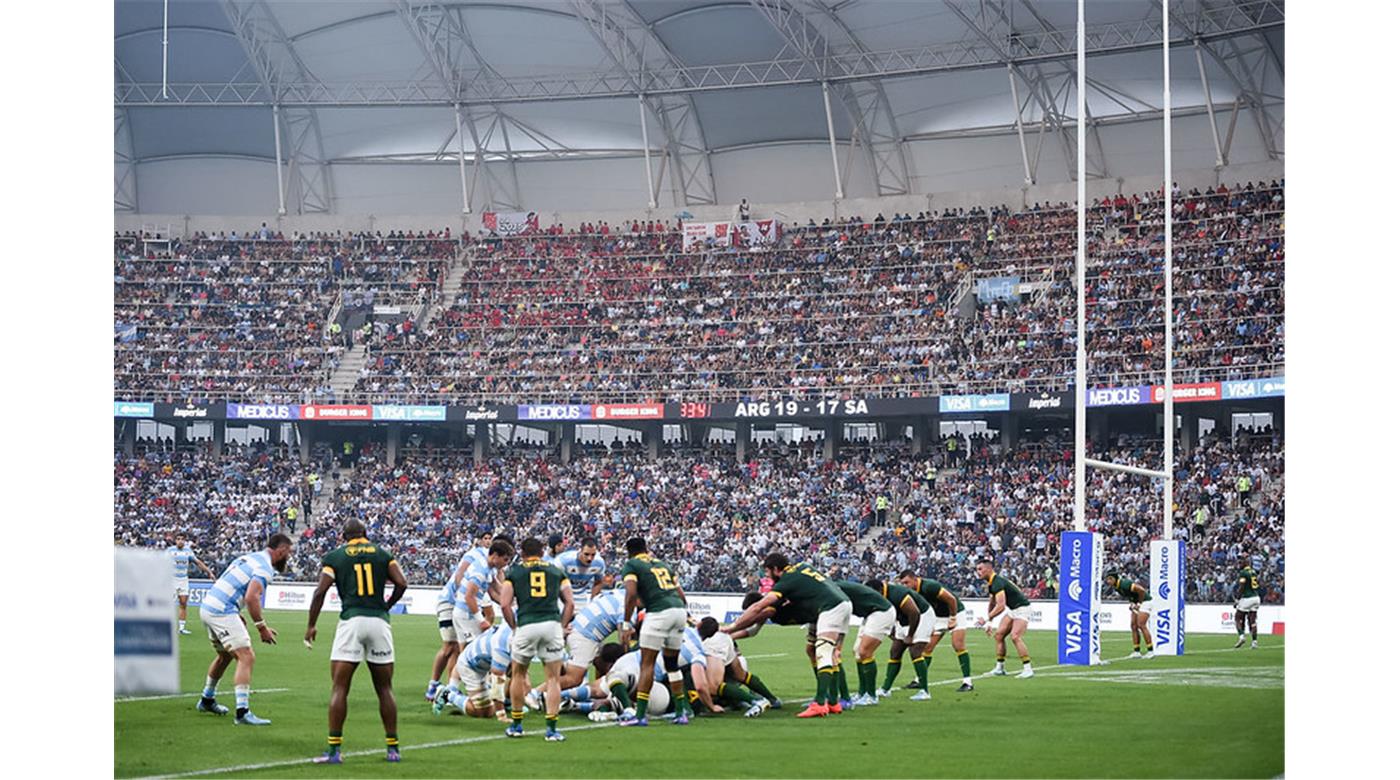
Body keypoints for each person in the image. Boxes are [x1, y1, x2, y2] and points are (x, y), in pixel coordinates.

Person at [305, 520, 408, 764]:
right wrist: (387, 605)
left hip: (351, 621)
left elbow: (320, 592)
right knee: (385, 689)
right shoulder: (383, 553)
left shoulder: (336, 556)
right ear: (365, 534)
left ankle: (334, 752)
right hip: (379, 623)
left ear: (344, 536)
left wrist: (311, 625)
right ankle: (393, 749)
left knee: (340, 688)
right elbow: (402, 583)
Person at [727, 553, 852, 718]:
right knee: (818, 652)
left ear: (776, 569)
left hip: (829, 607)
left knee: (823, 653)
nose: (767, 577)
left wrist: (731, 628)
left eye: (767, 572)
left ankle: (821, 704)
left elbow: (757, 610)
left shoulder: (781, 591)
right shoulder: (802, 568)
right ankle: (833, 702)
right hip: (835, 605)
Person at [196, 534, 293, 725]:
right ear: (280, 551)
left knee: (225, 656)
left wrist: (236, 612)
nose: (288, 558)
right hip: (221, 610)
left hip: (209, 605)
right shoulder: (265, 569)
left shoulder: (248, 558)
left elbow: (230, 583)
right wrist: (261, 628)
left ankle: (207, 699)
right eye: (288, 553)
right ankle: (242, 712)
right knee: (246, 656)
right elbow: (251, 598)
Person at [499, 537, 574, 742]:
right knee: (553, 678)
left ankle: (516, 725)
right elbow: (570, 603)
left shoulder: (514, 572)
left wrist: (514, 627)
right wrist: (561, 625)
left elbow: (505, 604)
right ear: (542, 552)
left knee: (518, 675)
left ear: (523, 553)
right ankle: (551, 729)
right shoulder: (556, 571)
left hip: (527, 624)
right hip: (551, 625)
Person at [617, 536, 692, 726]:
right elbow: (682, 596)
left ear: (629, 551)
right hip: (679, 611)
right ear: (646, 548)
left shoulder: (632, 565)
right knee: (672, 664)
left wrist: (626, 623)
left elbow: (631, 594)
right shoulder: (663, 564)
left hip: (659, 613)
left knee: (647, 664)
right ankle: (680, 712)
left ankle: (640, 715)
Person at [898, 571, 975, 691]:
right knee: (927, 647)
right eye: (902, 583)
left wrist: (953, 618)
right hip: (938, 617)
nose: (904, 586)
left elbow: (951, 599)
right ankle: (919, 680)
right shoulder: (911, 593)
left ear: (915, 579)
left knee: (958, 645)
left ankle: (968, 682)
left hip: (955, 612)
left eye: (907, 582)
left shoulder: (929, 586)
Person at [864, 578, 934, 699]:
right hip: (904, 619)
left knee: (915, 651)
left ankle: (925, 691)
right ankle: (886, 689)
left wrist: (910, 635)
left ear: (880, 590)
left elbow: (914, 612)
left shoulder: (897, 594)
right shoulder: (881, 595)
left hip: (922, 616)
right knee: (895, 651)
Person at [433, 624, 513, 720]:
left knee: (515, 670)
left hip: (482, 660)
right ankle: (448, 694)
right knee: (484, 712)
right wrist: (501, 714)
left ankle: (507, 701)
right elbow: (498, 677)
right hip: (471, 666)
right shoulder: (503, 646)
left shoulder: (513, 630)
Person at [834, 580, 895, 705]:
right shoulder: (833, 587)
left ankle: (871, 696)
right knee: (857, 652)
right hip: (870, 613)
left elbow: (842, 618)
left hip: (881, 611)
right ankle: (862, 692)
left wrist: (838, 645)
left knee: (865, 651)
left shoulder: (834, 591)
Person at [974, 559, 1034, 678]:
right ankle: (999, 668)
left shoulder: (997, 583)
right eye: (977, 570)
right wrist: (990, 623)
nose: (978, 572)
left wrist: (985, 619)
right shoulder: (992, 583)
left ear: (989, 569)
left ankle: (1028, 669)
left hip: (1022, 609)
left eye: (980, 569)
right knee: (999, 635)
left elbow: (1000, 606)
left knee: (1015, 636)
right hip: (1013, 610)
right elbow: (992, 603)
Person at [169, 532, 214, 635]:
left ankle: (181, 628)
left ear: (185, 541)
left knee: (183, 603)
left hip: (183, 580)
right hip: (172, 580)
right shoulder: (170, 551)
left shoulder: (188, 551)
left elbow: (198, 563)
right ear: (175, 541)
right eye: (178, 539)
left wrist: (209, 572)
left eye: (182, 539)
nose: (180, 541)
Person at [1104, 571, 1156, 658]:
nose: (1108, 581)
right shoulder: (1116, 587)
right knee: (1133, 626)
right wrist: (1132, 603)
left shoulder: (1124, 583)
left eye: (1110, 579)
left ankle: (1151, 651)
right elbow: (1131, 595)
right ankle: (1137, 651)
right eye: (1107, 579)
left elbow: (1141, 590)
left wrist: (1138, 604)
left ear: (1115, 578)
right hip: (1137, 603)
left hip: (1146, 602)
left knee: (1141, 625)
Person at [554, 537, 607, 602]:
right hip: (562, 599)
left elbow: (598, 582)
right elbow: (553, 582)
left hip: (582, 598)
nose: (589, 558)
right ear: (580, 550)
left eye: (593, 555)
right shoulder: (563, 561)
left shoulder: (599, 563)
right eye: (586, 554)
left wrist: (592, 601)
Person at [1234, 557, 1262, 649]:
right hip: (1256, 597)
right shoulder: (1253, 572)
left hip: (1248, 598)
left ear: (1245, 563)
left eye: (1240, 563)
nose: (1239, 564)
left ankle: (1241, 637)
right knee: (1252, 621)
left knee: (1238, 617)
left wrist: (1237, 600)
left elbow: (1241, 587)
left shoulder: (1243, 573)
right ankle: (1254, 642)